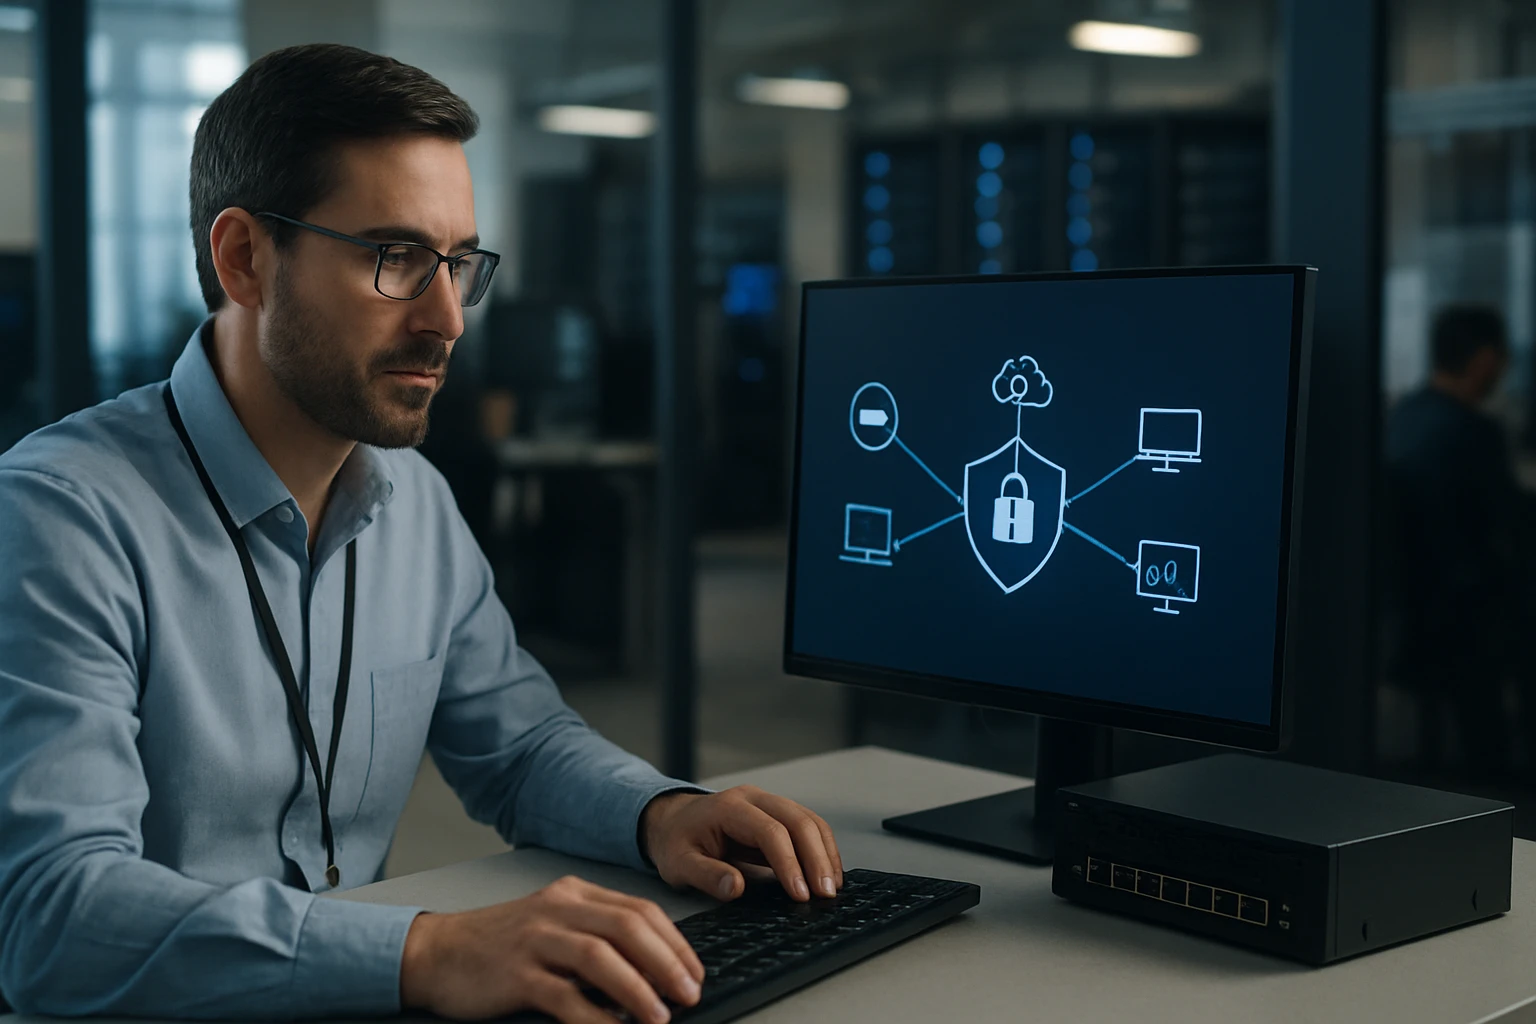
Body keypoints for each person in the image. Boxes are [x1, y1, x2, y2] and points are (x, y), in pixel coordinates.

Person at [0, 44, 843, 1024]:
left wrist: (661, 812)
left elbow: (520, 748)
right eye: (394, 258)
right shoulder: (59, 517)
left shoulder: (416, 502)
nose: (447, 317)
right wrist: (427, 949)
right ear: (244, 260)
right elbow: (50, 917)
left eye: (459, 264)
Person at [1384, 303, 1519, 777]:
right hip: (1462, 621)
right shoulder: (1474, 433)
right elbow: (1506, 533)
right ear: (1485, 360)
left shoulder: (1404, 415)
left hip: (1405, 613)